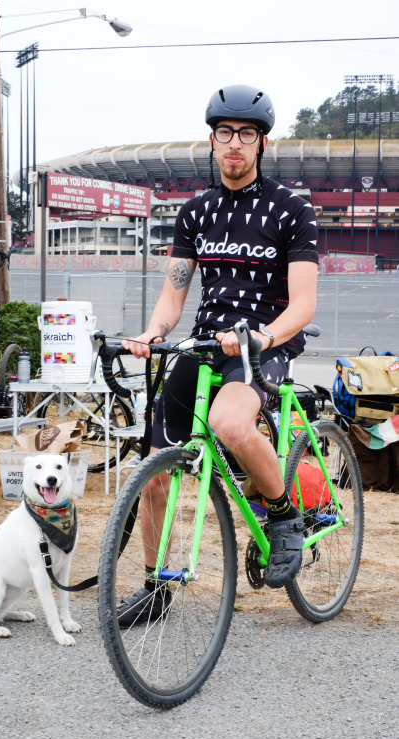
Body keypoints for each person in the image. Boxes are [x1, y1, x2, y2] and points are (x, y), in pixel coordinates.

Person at [119, 84, 319, 626]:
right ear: (212, 140)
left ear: (261, 144)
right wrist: (154, 333)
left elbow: (303, 304)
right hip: (208, 343)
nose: (235, 144)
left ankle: (282, 514)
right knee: (153, 473)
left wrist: (263, 337)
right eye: (225, 133)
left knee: (230, 423)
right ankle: (154, 588)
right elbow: (173, 294)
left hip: (263, 344)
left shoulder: (291, 211)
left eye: (246, 134)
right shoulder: (196, 213)